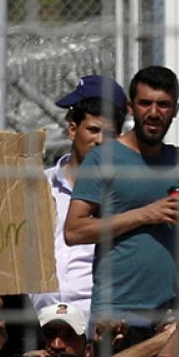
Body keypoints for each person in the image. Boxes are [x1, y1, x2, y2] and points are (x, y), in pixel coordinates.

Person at [64, 66, 179, 320]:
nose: (154, 113)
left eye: (163, 105)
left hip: (169, 313)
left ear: (175, 110)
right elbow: (74, 231)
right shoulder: (103, 158)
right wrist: (145, 215)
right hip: (116, 312)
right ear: (131, 107)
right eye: (145, 103)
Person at [32, 75, 126, 317]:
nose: (100, 141)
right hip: (39, 319)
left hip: (94, 322)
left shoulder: (123, 196)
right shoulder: (40, 185)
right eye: (93, 130)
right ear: (73, 129)